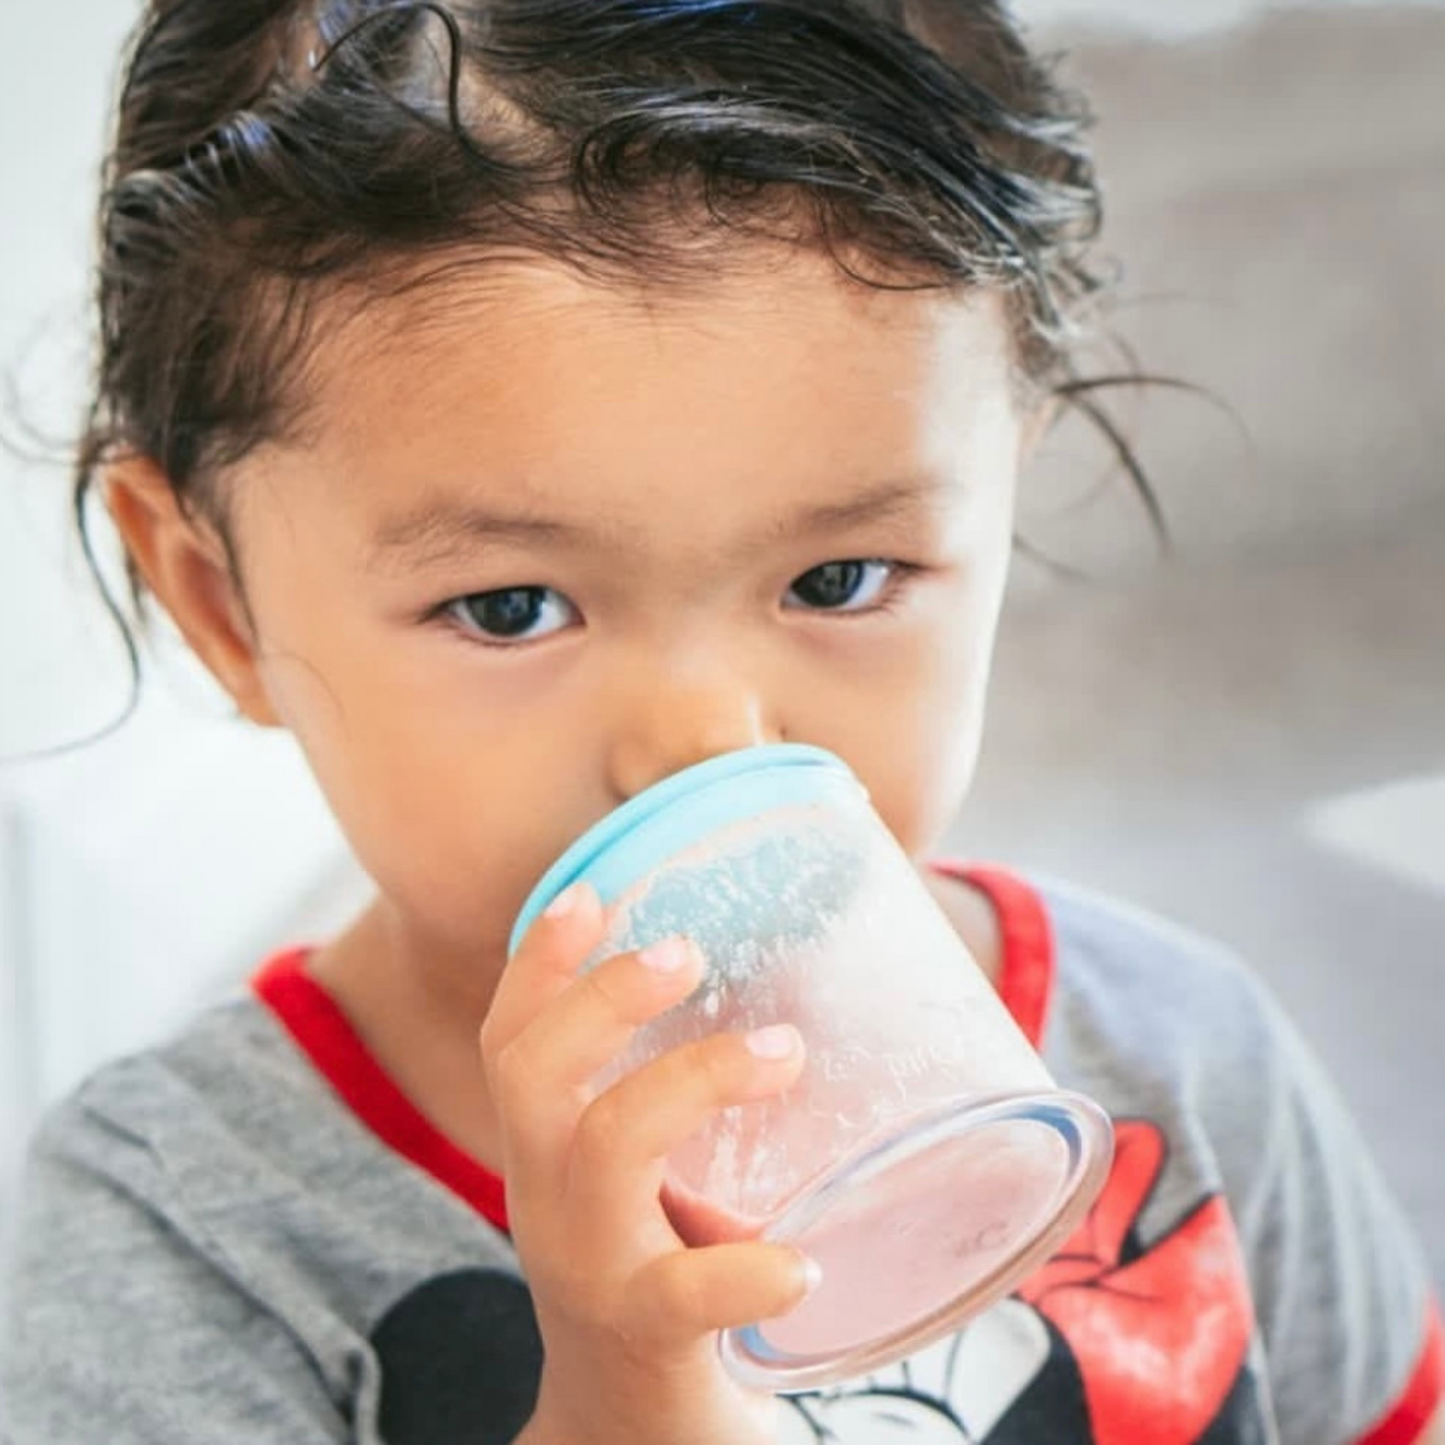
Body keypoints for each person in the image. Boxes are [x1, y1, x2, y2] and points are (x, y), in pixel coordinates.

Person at [1, 0, 1440, 1441]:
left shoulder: (1186, 1060)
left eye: (840, 578)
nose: (704, 742)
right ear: (219, 603)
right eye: (511, 607)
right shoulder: (184, 1229)